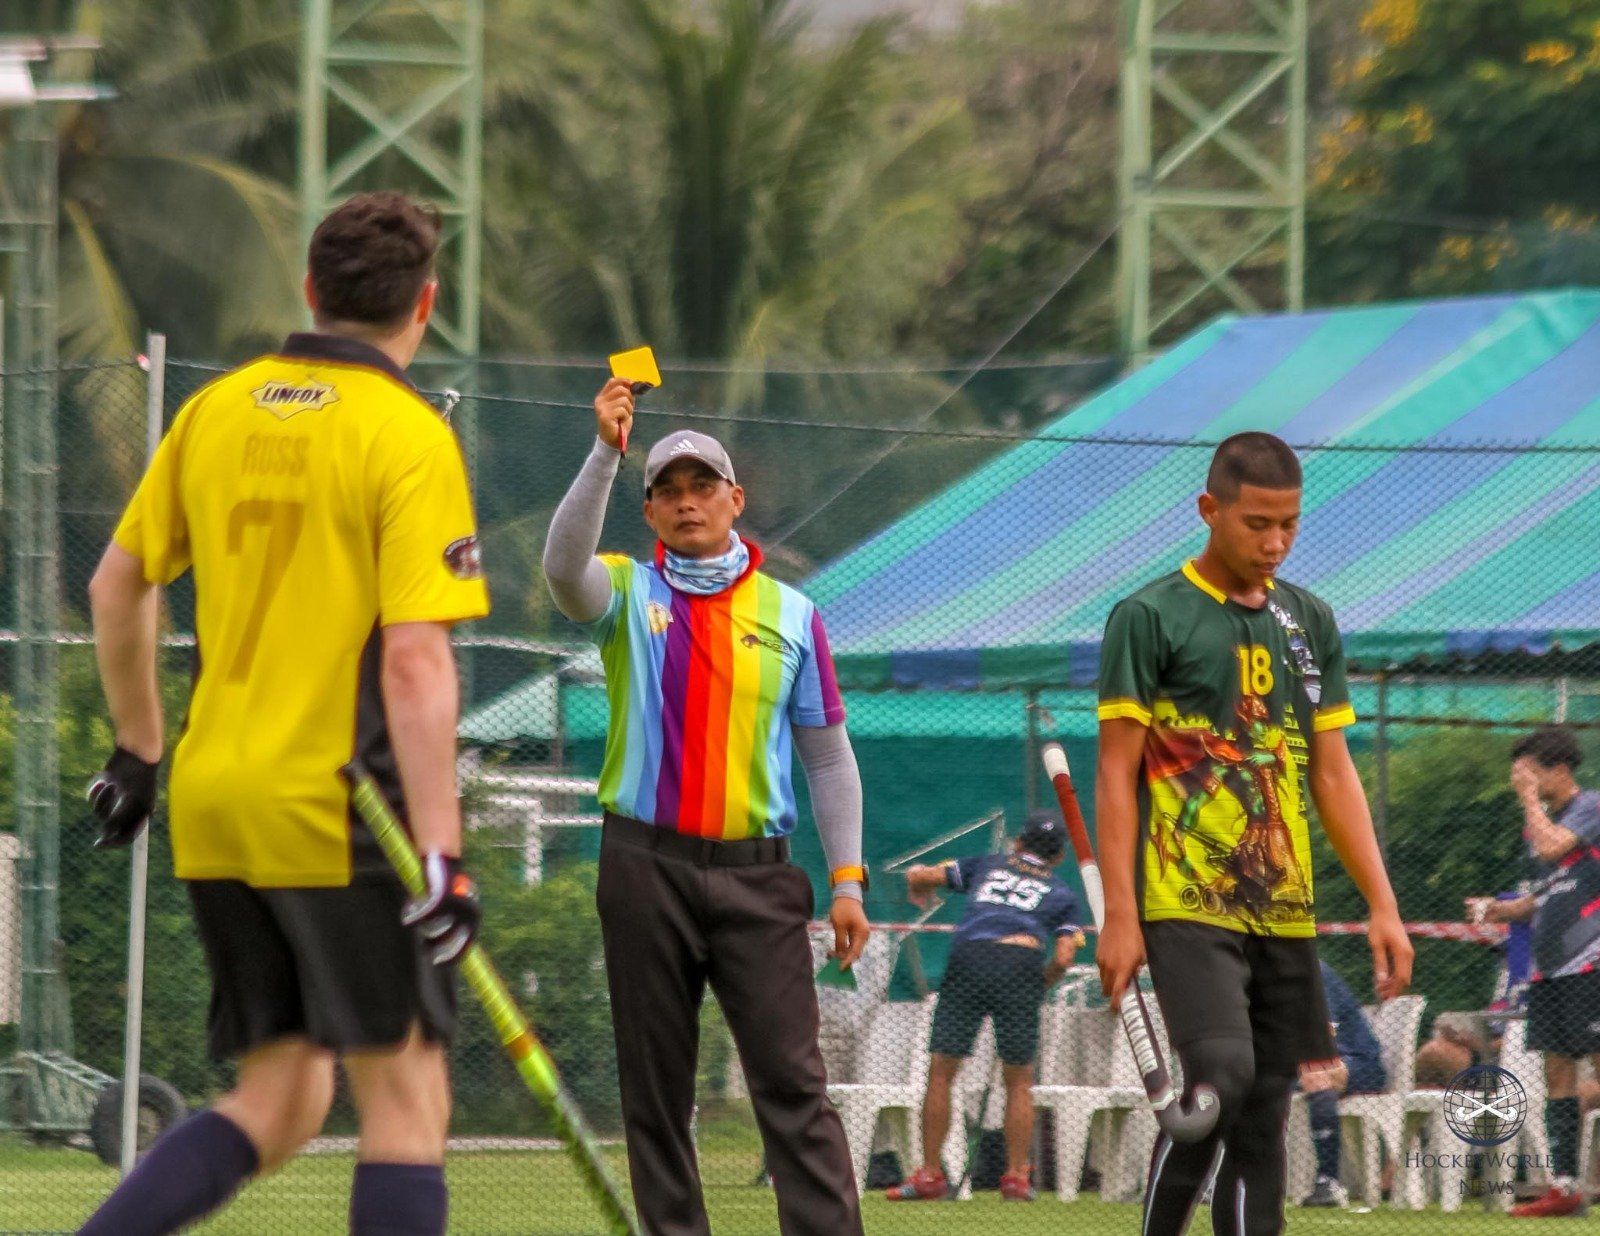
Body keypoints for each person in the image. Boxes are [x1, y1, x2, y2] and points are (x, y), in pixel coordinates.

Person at [78, 192, 488, 1236]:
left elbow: (115, 587)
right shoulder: (407, 433)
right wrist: (443, 850)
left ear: (310, 291)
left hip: (217, 800)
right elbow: (413, 664)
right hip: (343, 804)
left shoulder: (215, 410)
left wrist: (138, 750)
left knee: (285, 1096)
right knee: (406, 1095)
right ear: (424, 306)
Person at [541, 383, 871, 1236]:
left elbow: (829, 755)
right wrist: (606, 452)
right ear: (648, 508)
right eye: (669, 489)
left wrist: (848, 880)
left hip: (760, 881)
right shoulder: (624, 594)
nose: (688, 501)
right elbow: (559, 570)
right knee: (655, 1092)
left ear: (736, 500)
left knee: (793, 1085)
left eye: (703, 486)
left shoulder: (794, 614)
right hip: (643, 868)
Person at [1094, 431, 1413, 1236]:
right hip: (1184, 900)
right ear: (1209, 511)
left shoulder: (1309, 620)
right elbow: (1115, 775)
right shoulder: (1147, 616)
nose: (1274, 543)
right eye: (1256, 523)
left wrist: (1383, 905)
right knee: (1221, 1079)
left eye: (1290, 525)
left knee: (1264, 1110)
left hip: (1283, 906)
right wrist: (1121, 915)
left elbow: (1333, 773)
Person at [888, 812, 1085, 1203]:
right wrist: (1036, 984)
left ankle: (929, 1174)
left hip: (970, 960)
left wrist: (918, 883)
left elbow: (923, 876)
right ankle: (1014, 1178)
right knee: (1019, 1079)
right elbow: (1064, 958)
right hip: (1021, 964)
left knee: (942, 1072)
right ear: (1059, 856)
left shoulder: (988, 865)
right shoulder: (1063, 894)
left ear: (1017, 843)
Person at [1466, 726, 1600, 1218]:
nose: (1518, 781)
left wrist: (1528, 799)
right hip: (1550, 971)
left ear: (1559, 770)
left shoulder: (1591, 807)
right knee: (1558, 1072)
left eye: (1527, 772)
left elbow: (1554, 848)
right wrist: (1502, 910)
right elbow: (1545, 891)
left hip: (1593, 959)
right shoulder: (1538, 823)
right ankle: (1564, 1189)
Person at [1298, 960, 1387, 1208]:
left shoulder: (1310, 971)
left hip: (1357, 1062)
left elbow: (1322, 1037)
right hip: (1298, 1060)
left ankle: (1329, 1182)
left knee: (1317, 1074)